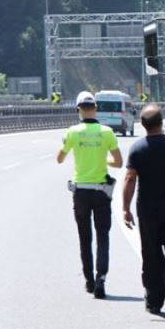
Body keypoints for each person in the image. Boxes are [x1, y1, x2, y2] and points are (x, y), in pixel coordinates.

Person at [122, 104, 165, 318]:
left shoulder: (137, 149)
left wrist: (125, 208)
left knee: (151, 256)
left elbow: (130, 178)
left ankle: (153, 300)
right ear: (162, 122)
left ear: (142, 125)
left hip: (148, 211)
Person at [56, 90, 122, 298]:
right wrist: (103, 161)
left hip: (81, 192)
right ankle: (101, 277)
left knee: (85, 238)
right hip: (101, 191)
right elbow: (118, 162)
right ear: (95, 108)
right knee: (103, 237)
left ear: (78, 110)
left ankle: (89, 281)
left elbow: (59, 158)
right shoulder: (107, 132)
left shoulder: (72, 132)